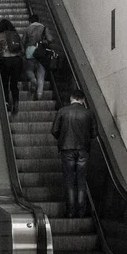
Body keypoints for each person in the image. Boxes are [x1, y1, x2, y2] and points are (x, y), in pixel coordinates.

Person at [50, 89, 98, 218]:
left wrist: (63, 138)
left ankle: (70, 211)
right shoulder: (89, 113)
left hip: (66, 149)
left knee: (69, 180)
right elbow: (94, 134)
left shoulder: (62, 111)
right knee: (81, 180)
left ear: (71, 99)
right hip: (83, 150)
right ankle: (81, 212)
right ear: (82, 100)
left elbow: (54, 130)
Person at [21, 14, 53, 101]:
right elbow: (50, 39)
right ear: (38, 20)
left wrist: (23, 51)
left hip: (30, 49)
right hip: (41, 51)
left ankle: (33, 80)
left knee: (29, 70)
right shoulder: (44, 28)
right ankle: (39, 94)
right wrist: (42, 41)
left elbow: (23, 42)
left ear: (30, 21)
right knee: (41, 73)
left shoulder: (27, 28)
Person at [0, 19, 23, 114]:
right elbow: (21, 48)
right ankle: (16, 102)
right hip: (17, 61)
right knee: (14, 84)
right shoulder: (15, 34)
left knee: (5, 83)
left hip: (5, 61)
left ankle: (6, 102)